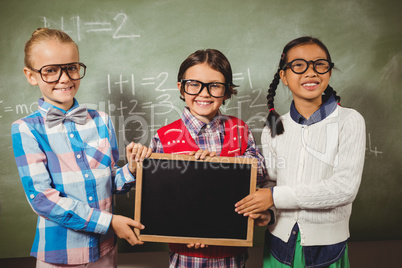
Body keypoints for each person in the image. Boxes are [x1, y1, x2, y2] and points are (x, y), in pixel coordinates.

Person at [11, 28, 144, 267]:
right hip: (59, 254)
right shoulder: (25, 129)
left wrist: (132, 169)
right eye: (50, 70)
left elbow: (110, 181)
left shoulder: (101, 120)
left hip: (105, 250)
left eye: (71, 68)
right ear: (31, 76)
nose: (64, 78)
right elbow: (42, 199)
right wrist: (109, 222)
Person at [127, 49, 268, 268]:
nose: (204, 93)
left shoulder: (240, 130)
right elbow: (153, 198)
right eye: (194, 84)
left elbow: (258, 174)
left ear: (228, 91)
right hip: (185, 257)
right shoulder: (165, 138)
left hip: (232, 254)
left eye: (215, 85)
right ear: (181, 87)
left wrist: (218, 166)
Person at [235, 36, 366, 267]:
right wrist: (270, 212)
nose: (311, 72)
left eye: (320, 64)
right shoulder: (274, 127)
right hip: (278, 244)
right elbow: (271, 180)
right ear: (284, 76)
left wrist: (274, 198)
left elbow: (344, 188)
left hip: (327, 249)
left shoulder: (349, 120)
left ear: (329, 71)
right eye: (299, 65)